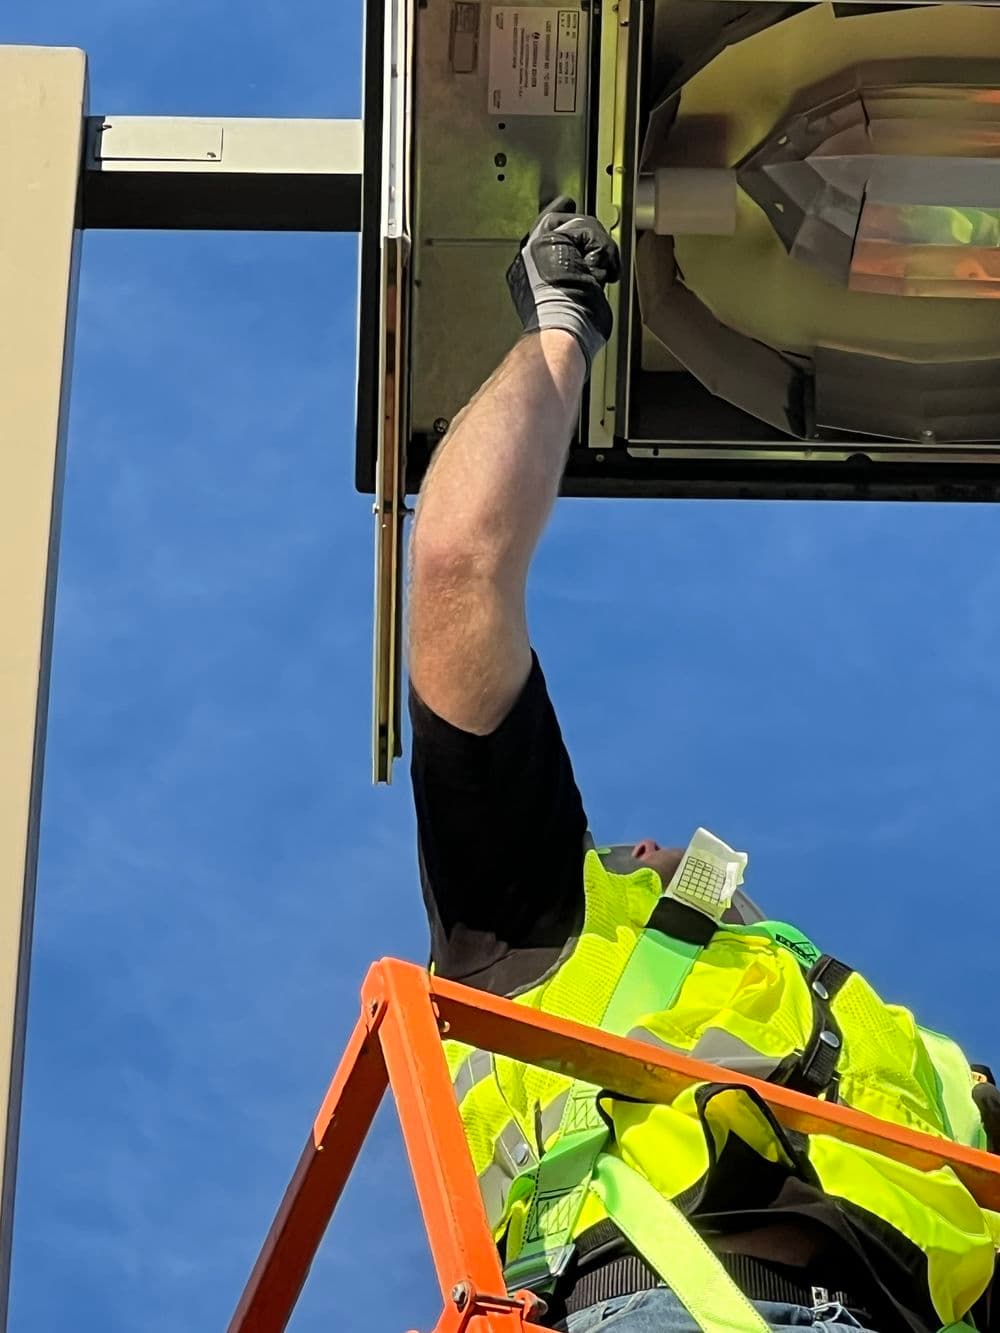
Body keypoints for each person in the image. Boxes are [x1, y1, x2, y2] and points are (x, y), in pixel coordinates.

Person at [405, 202, 1000, 1333]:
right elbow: (457, 563)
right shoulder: (549, 922)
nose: (652, 850)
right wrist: (561, 328)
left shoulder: (922, 1062)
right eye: (638, 857)